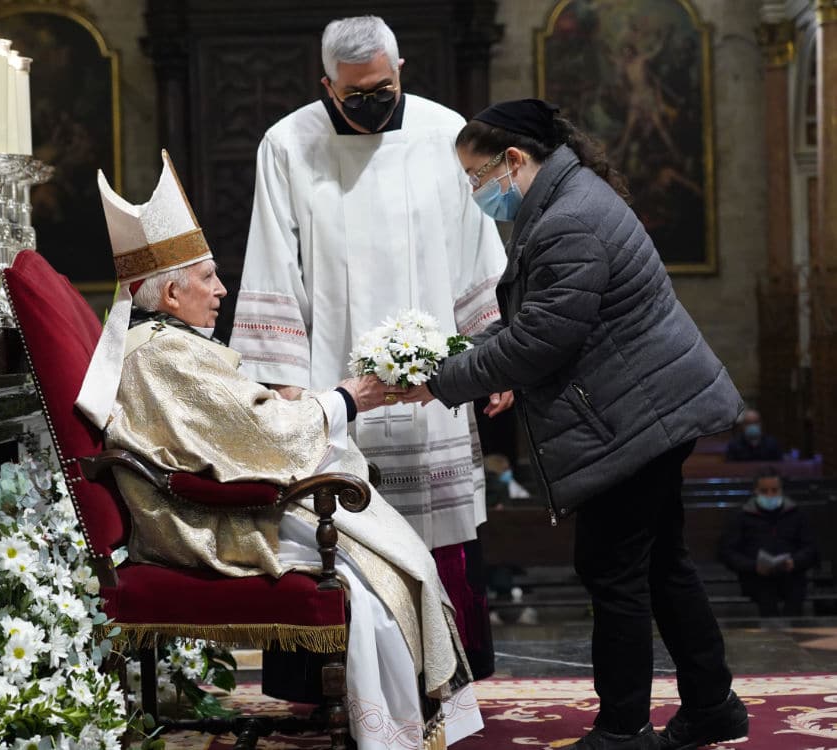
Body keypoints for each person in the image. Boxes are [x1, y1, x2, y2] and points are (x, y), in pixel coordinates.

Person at [76, 151, 482, 749]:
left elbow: (239, 425)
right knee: (376, 577)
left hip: (219, 502)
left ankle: (403, 724)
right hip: (206, 520)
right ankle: (388, 734)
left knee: (394, 555)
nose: (222, 290)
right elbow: (261, 434)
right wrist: (346, 399)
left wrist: (312, 402)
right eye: (208, 277)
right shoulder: (162, 352)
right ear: (171, 292)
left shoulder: (162, 343)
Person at [400, 99, 748, 750]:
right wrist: (463, 360)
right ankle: (712, 706)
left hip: (637, 416)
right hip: (645, 410)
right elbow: (536, 323)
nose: (476, 191)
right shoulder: (566, 200)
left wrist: (444, 380)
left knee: (613, 571)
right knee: (661, 565)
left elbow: (541, 341)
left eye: (477, 176)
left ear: (514, 159)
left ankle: (624, 730)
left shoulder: (569, 219)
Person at [229, 14, 509, 678]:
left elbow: (476, 255)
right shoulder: (287, 144)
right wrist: (285, 384)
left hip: (434, 391)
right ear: (326, 84)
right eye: (354, 94)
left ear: (400, 69)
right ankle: (328, 679)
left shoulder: (446, 135)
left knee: (434, 528)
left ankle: (443, 676)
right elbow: (272, 261)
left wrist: (494, 360)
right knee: (332, 524)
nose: (371, 102)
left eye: (382, 87)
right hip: (332, 383)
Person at [719, 468, 818, 616]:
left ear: (781, 490)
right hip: (756, 576)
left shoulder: (797, 514)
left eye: (774, 490)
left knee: (795, 596)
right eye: (764, 491)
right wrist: (753, 566)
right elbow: (728, 552)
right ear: (756, 491)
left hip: (791, 574)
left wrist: (794, 562)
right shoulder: (741, 516)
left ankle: (793, 628)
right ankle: (772, 629)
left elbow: (810, 547)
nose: (770, 495)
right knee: (765, 596)